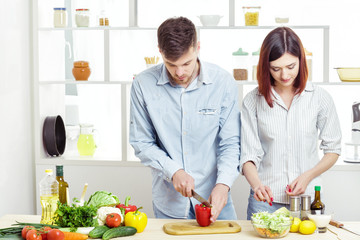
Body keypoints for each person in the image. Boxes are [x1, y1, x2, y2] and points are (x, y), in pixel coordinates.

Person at [129, 17, 240, 222]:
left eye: (186, 63)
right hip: (169, 204)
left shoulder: (223, 82)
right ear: (160, 52)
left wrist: (223, 184)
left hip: (215, 199)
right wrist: (174, 171)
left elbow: (231, 143)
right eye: (171, 64)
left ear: (198, 47)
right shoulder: (142, 85)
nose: (180, 72)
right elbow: (141, 142)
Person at [240, 27, 341, 219]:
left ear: (301, 61)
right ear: (265, 66)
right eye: (275, 68)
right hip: (264, 202)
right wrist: (256, 186)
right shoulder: (253, 100)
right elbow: (248, 155)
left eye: (291, 67)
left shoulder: (320, 98)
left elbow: (333, 149)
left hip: (306, 201)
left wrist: (307, 176)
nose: (284, 75)